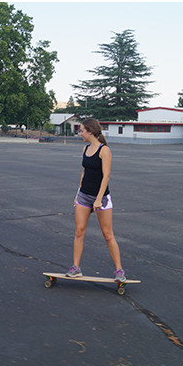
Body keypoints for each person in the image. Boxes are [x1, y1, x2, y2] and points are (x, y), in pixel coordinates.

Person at [67, 118, 127, 282]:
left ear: (90, 132)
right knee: (79, 232)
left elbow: (106, 176)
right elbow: (84, 173)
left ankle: (119, 270)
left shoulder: (104, 150)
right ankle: (75, 268)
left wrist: (98, 199)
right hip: (84, 195)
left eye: (81, 130)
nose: (80, 133)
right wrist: (78, 194)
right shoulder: (85, 149)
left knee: (108, 235)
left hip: (101, 198)